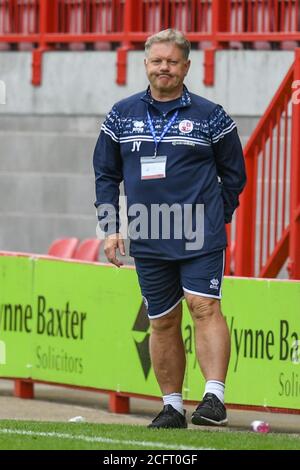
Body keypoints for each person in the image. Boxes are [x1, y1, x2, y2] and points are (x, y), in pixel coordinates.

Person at [93, 29, 246, 429]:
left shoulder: (211, 115)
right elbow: (105, 174)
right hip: (148, 233)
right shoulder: (120, 114)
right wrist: (111, 227)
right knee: (161, 320)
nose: (164, 67)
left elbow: (235, 173)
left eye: (172, 61)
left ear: (187, 67)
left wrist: (217, 213)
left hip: (200, 232)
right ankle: (172, 406)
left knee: (204, 305)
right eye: (157, 61)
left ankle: (214, 397)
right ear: (145, 64)